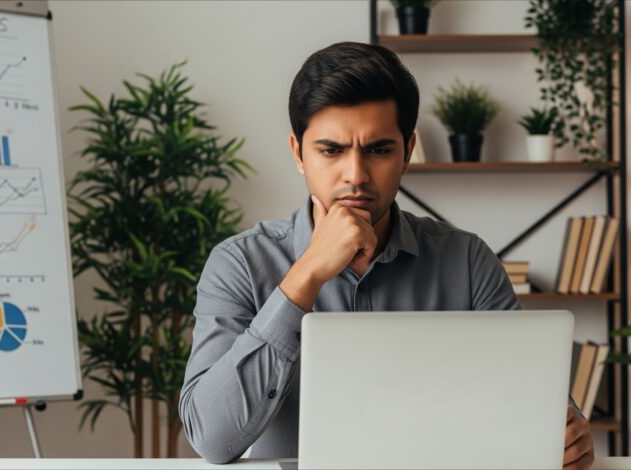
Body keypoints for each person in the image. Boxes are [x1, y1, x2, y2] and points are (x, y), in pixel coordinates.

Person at [179, 41, 594, 470]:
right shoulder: (239, 265)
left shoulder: (468, 261)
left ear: (407, 152)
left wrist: (568, 437)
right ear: (297, 154)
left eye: (378, 150)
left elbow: (540, 408)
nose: (355, 175)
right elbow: (211, 437)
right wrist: (306, 274)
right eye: (331, 150)